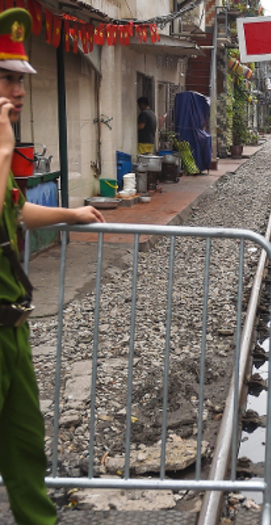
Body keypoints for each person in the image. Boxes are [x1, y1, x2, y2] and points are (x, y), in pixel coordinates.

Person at [0, 9, 105, 525]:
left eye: (20, 79)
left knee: (24, 445)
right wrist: (2, 147)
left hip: (11, 326)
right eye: (6, 78)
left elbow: (15, 209)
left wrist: (72, 213)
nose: (18, 91)